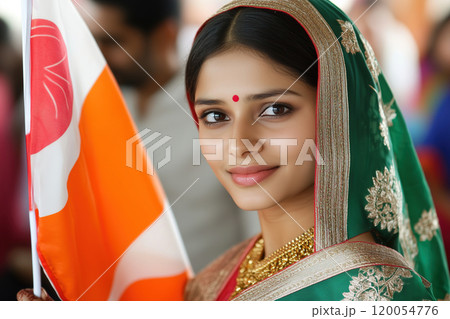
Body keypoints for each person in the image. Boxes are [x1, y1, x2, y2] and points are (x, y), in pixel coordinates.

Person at [18, 0, 450, 301]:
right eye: (215, 116)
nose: (239, 145)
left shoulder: (376, 295)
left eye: (276, 108)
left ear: (341, 112)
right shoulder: (221, 275)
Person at [87, 0, 258, 272]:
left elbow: (260, 225)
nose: (98, 54)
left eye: (113, 41)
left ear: (165, 34)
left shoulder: (215, 105)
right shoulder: (102, 101)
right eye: (92, 41)